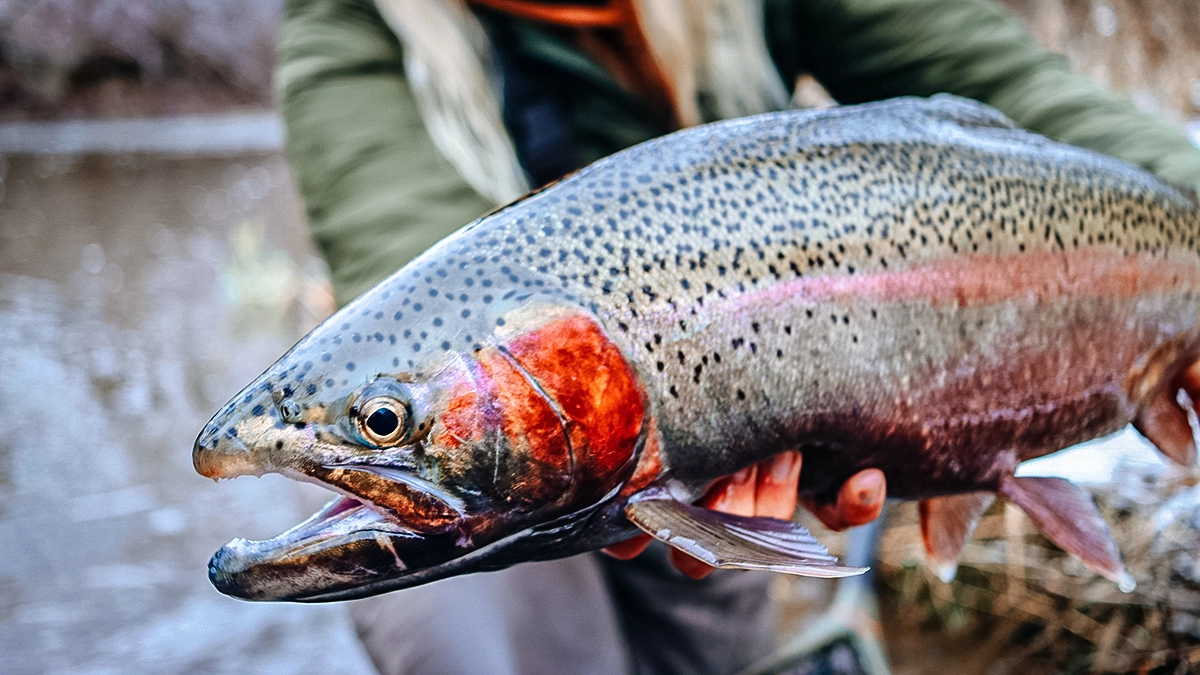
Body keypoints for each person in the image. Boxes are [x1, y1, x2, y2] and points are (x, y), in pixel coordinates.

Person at [275, 1, 1200, 674]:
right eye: (383, 421)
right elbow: (425, 300)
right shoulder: (349, 26)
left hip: (707, 441)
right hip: (553, 448)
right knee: (474, 636)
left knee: (706, 624)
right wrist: (399, 421)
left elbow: (1018, 96)